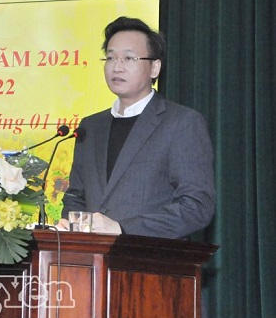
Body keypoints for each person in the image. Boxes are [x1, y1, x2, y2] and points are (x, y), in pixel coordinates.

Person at [59, 16, 215, 239]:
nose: (117, 67)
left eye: (129, 58)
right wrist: (77, 228)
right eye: (111, 58)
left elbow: (196, 207)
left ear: (154, 68)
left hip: (151, 257)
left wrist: (123, 228)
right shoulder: (90, 127)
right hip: (91, 257)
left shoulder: (181, 123)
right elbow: (75, 196)